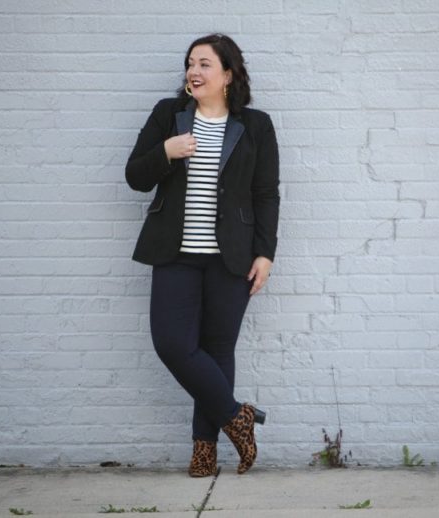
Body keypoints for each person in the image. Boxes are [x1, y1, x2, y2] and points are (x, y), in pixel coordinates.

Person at [125, 33, 279, 477]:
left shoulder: (255, 126)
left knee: (217, 350)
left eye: (205, 64)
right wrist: (166, 153)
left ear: (228, 75)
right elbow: (135, 175)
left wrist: (265, 254)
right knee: (172, 344)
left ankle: (204, 451)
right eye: (191, 63)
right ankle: (238, 417)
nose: (194, 71)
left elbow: (266, 194)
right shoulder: (168, 117)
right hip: (175, 254)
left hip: (231, 257)